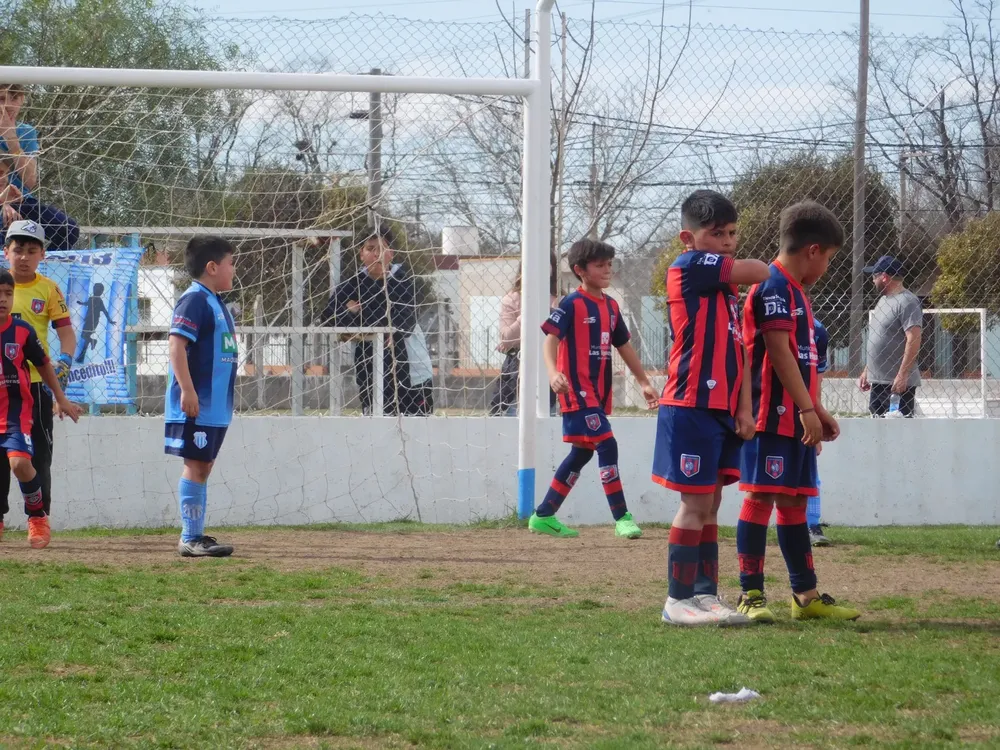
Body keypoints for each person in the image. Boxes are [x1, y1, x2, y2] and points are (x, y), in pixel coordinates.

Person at [735, 202, 860, 623]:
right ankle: (751, 594)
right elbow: (777, 352)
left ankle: (805, 597)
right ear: (813, 250)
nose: (826, 267)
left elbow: (802, 360)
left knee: (793, 500)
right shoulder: (771, 286)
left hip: (797, 417)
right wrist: (806, 407)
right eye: (829, 258)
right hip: (769, 417)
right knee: (760, 496)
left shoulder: (797, 293)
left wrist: (817, 410)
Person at [652, 190, 770, 627]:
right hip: (691, 403)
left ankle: (704, 595)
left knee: (712, 504)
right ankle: (677, 599)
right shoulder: (690, 265)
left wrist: (744, 408)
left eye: (732, 233)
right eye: (717, 233)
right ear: (689, 237)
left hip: (722, 409)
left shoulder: (724, 292)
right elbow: (760, 270)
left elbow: (739, 353)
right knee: (696, 503)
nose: (728, 242)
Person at [528, 238, 658, 539]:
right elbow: (550, 340)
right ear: (580, 270)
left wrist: (643, 381)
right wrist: (553, 373)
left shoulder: (611, 306)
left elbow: (624, 345)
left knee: (582, 453)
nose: (607, 270)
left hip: (598, 394)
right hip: (576, 390)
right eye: (600, 265)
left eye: (609, 264)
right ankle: (622, 517)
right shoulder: (571, 303)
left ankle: (543, 515)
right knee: (607, 444)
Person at [1, 220, 76, 543]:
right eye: (18, 250)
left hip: (33, 387)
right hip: (1, 388)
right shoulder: (1, 286)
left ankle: (38, 518)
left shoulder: (48, 289)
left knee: (38, 456)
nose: (24, 257)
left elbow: (66, 334)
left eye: (32, 251)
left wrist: (64, 365)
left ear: (42, 255)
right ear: (6, 251)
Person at [165, 236, 238, 558]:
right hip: (197, 404)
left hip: (215, 407)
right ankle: (190, 537)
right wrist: (188, 390)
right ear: (212, 267)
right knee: (196, 465)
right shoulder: (194, 299)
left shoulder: (214, 301)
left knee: (203, 466)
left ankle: (195, 535)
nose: (233, 270)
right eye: (230, 263)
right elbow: (176, 345)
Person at [323, 226, 415, 416]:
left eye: (382, 249)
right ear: (361, 254)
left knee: (407, 416)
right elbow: (327, 317)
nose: (376, 254)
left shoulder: (404, 282)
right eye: (370, 249)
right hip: (366, 360)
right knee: (372, 411)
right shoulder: (353, 284)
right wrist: (351, 316)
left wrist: (359, 312)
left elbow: (406, 323)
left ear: (391, 253)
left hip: (403, 362)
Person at [489, 254, 560, 416]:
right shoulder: (512, 299)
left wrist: (550, 310)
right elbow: (507, 338)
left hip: (550, 366)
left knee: (547, 416)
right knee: (507, 418)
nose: (540, 268)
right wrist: (530, 309)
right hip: (517, 366)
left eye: (546, 263)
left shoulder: (560, 299)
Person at [858, 255, 922, 417]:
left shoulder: (907, 301)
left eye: (875, 276)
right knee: (876, 426)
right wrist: (867, 370)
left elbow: (913, 338)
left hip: (896, 384)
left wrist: (902, 374)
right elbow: (879, 337)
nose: (873, 280)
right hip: (878, 382)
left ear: (884, 277)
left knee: (898, 429)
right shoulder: (883, 301)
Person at [0, 155, 78, 251]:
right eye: (0, 173)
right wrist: (1, 201)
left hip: (20, 205)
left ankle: (45, 259)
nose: (4, 178)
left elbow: (69, 229)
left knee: (69, 227)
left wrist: (7, 202)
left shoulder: (19, 203)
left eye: (7, 173)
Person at [808, 316, 831, 546]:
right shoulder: (765, 317)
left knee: (809, 470)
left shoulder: (818, 331)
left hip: (804, 409)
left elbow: (816, 384)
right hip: (768, 407)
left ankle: (812, 525)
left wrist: (816, 417)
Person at [0, 84, 39, 198]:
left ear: (22, 99)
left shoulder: (27, 132)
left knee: (55, 211)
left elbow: (30, 182)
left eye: (14, 98)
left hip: (22, 200)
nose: (8, 105)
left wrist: (11, 138)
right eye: (1, 99)